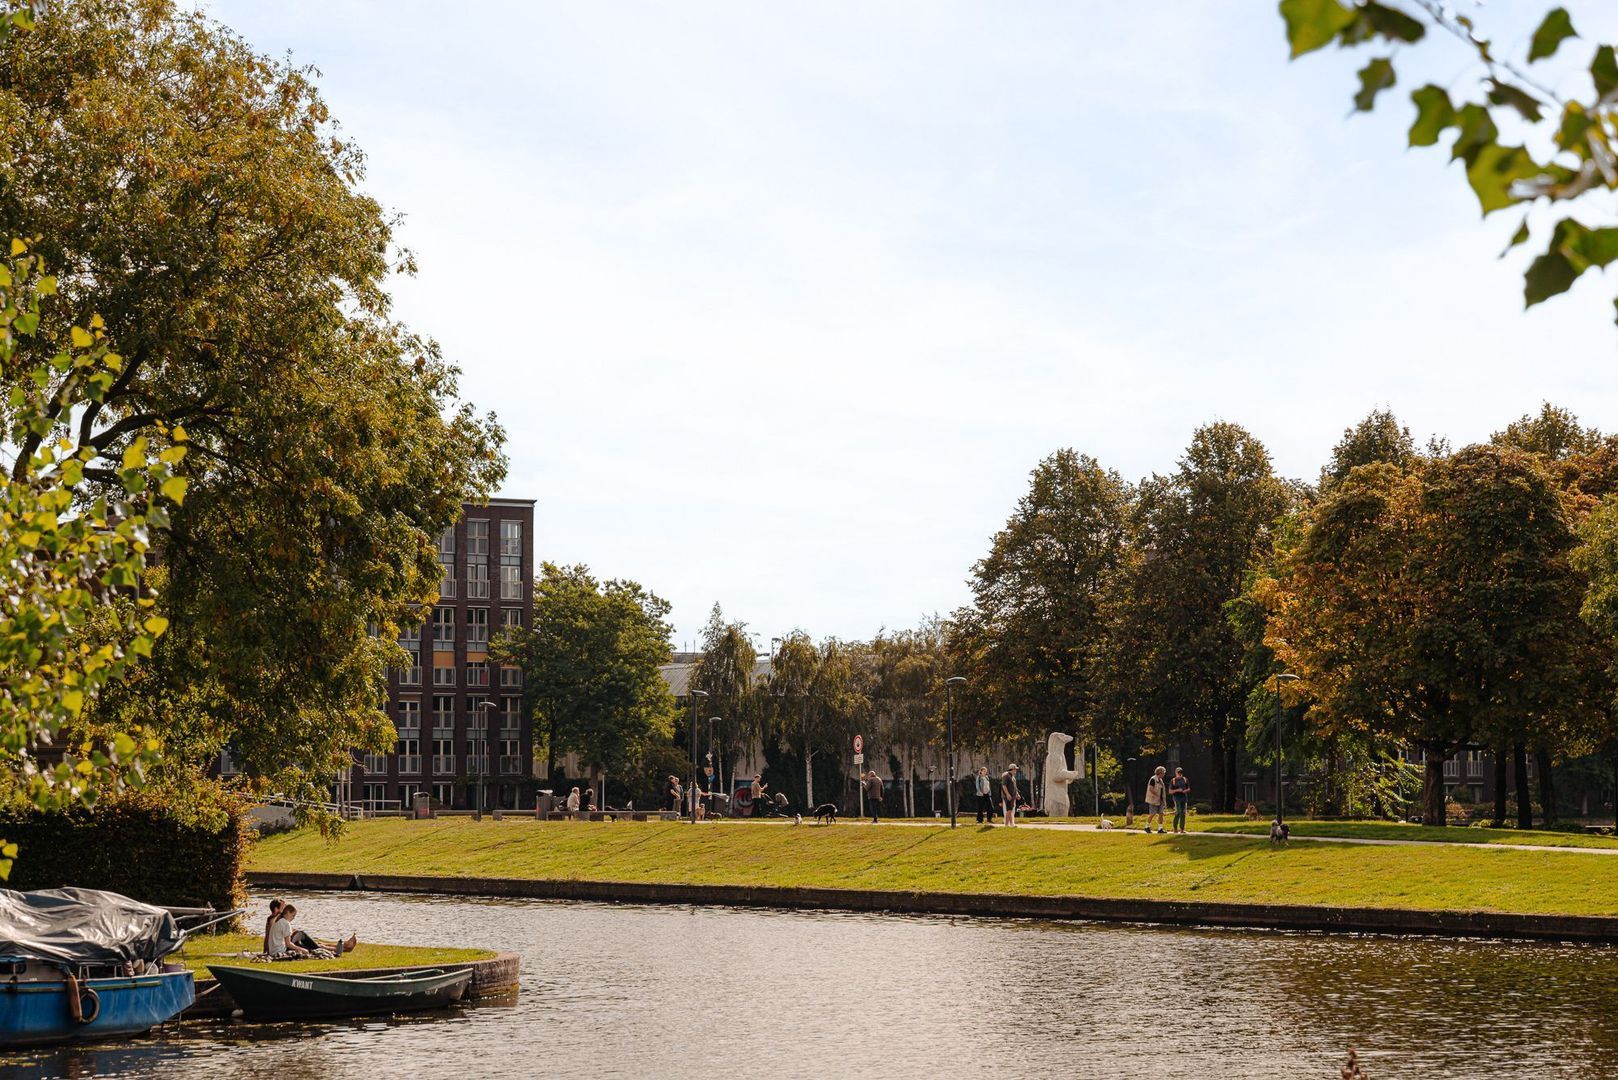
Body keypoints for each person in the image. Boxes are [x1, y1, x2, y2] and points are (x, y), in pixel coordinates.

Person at [1143, 766, 1167, 834]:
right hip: (1153, 800)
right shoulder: (1153, 779)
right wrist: (1157, 796)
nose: (1164, 774)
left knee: (1161, 813)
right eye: (1163, 773)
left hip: (1161, 800)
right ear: (1160, 773)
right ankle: (1146, 827)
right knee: (1152, 813)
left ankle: (1160, 828)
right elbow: (1151, 789)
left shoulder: (1161, 780)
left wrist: (1163, 799)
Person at [1168, 766, 1190, 835]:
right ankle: (1175, 829)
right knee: (1178, 812)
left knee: (1183, 813)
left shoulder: (1185, 779)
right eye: (1178, 772)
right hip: (1177, 798)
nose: (1180, 774)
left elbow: (1188, 788)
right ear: (1176, 773)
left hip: (1184, 798)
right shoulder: (1173, 780)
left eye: (1181, 772)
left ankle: (1182, 829)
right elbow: (1170, 791)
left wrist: (1185, 791)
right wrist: (1177, 790)